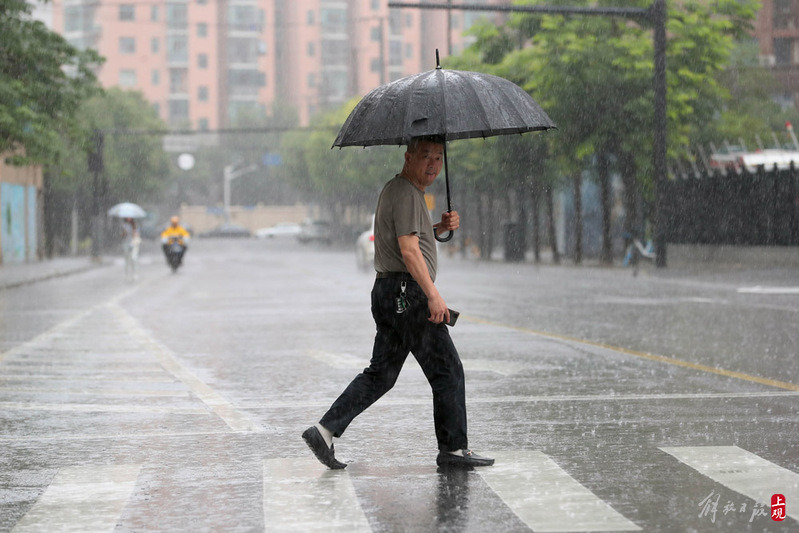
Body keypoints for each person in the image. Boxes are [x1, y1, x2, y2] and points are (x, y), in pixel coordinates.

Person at [302, 136, 494, 469]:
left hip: (388, 291)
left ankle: (325, 430)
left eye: (438, 157)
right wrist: (432, 294)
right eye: (425, 156)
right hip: (408, 294)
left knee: (381, 374)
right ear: (408, 157)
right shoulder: (406, 192)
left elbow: (407, 236)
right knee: (448, 369)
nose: (433, 164)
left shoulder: (402, 191)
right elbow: (407, 250)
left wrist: (437, 228)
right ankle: (452, 449)